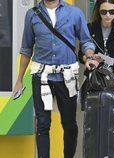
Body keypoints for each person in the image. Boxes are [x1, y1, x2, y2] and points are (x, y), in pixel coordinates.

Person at [12, 0, 98, 158]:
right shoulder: (32, 14)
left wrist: (90, 56)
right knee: (43, 125)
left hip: (67, 76)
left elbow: (86, 41)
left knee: (70, 125)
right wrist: (19, 79)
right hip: (41, 76)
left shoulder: (75, 13)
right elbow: (26, 48)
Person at [78, 0, 114, 85]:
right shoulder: (90, 28)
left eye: (111, 12)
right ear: (98, 11)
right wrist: (90, 58)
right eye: (103, 12)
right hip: (94, 78)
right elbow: (81, 55)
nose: (108, 15)